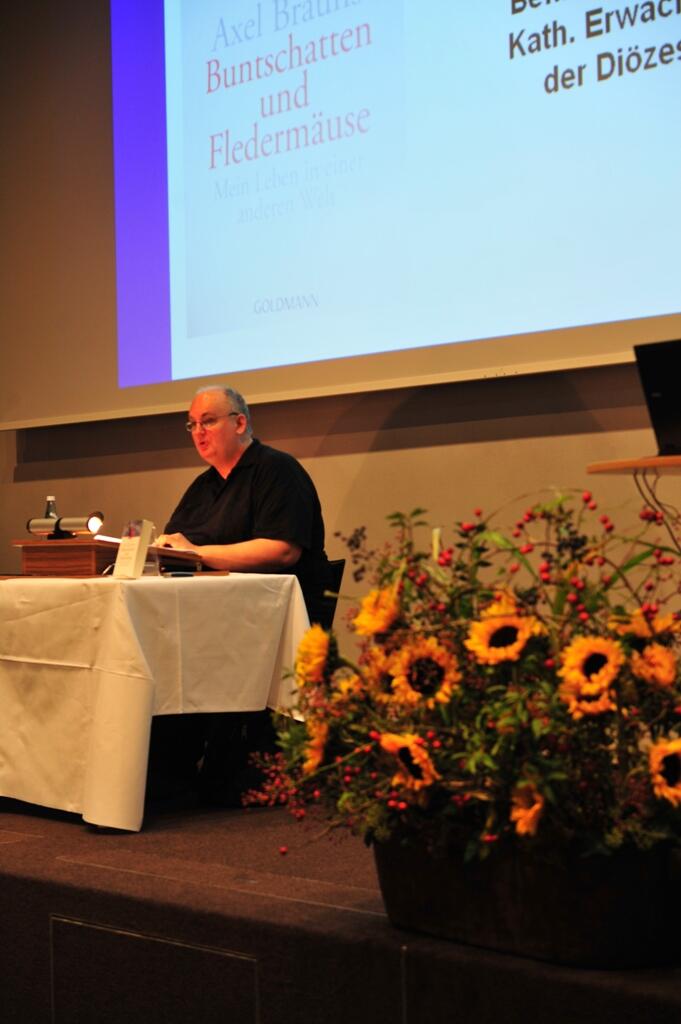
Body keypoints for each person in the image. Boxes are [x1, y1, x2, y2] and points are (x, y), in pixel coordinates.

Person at [149, 384, 331, 805]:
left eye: (208, 421)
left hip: (269, 623)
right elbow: (176, 545)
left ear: (240, 422)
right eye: (192, 425)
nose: (198, 432)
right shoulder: (202, 486)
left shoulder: (277, 471)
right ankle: (165, 773)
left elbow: (282, 548)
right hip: (212, 619)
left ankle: (200, 772)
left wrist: (199, 553)